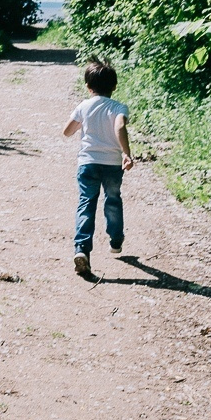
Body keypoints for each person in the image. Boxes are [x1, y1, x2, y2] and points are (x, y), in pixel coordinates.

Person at [62, 58, 133, 280]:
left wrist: (83, 123)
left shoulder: (83, 106)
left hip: (88, 163)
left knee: (86, 203)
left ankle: (81, 249)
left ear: (88, 86)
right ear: (114, 86)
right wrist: (127, 153)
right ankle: (115, 239)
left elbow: (67, 131)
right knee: (113, 199)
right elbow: (120, 126)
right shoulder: (119, 107)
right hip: (112, 164)